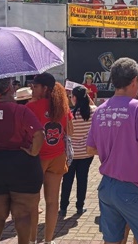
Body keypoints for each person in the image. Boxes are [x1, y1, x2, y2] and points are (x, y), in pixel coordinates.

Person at [86, 58, 138, 244]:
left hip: (107, 186)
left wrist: (116, 149)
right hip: (133, 187)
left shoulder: (100, 110)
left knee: (112, 239)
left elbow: (90, 149)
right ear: (135, 80)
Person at [0, 77, 44, 244]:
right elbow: (39, 134)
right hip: (22, 163)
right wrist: (33, 151)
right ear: (9, 87)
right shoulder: (21, 110)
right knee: (23, 215)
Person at [26, 73, 73, 244]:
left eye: (35, 86)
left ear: (44, 88)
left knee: (33, 202)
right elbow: (70, 131)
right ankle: (48, 240)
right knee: (53, 202)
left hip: (37, 158)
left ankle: (32, 239)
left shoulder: (32, 107)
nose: (32, 88)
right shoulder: (61, 106)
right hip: (57, 156)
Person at [59, 86, 96, 217]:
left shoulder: (69, 113)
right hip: (87, 152)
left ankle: (63, 207)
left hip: (70, 154)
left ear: (74, 98)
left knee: (67, 180)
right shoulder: (93, 112)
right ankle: (80, 206)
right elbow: (93, 106)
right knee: (82, 179)